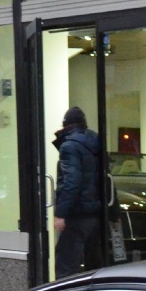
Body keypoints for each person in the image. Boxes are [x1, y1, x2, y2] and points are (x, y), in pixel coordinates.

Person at [51, 106, 103, 275]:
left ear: (66, 125)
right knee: (94, 267)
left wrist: (61, 213)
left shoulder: (69, 146)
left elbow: (71, 181)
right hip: (95, 215)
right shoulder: (96, 141)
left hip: (77, 215)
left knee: (66, 267)